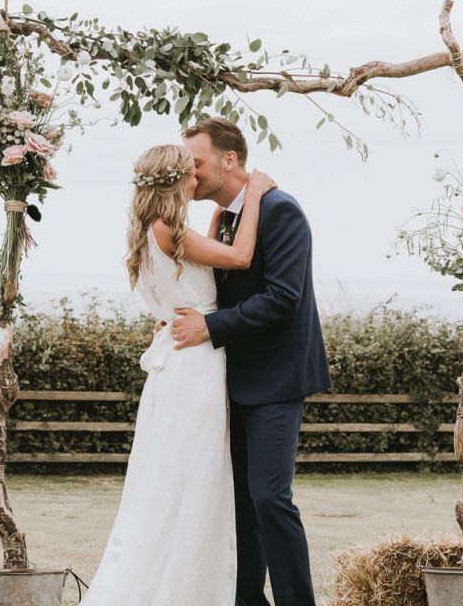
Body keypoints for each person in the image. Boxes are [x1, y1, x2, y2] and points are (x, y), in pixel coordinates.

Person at [80, 142, 276, 606]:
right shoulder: (169, 230)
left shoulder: (159, 230)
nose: (197, 179)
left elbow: (206, 253)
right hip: (195, 365)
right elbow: (241, 256)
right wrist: (256, 195)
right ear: (174, 181)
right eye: (190, 173)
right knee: (194, 480)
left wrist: (220, 217)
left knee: (180, 476)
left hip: (179, 360)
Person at [172, 117, 332, 606]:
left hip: (276, 379)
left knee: (268, 497)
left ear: (229, 159)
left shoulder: (281, 210)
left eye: (195, 164)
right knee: (239, 504)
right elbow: (219, 289)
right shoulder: (224, 220)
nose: (189, 175)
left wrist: (210, 327)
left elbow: (283, 297)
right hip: (229, 380)